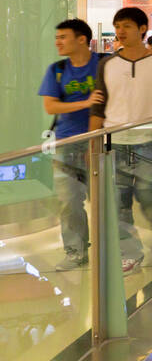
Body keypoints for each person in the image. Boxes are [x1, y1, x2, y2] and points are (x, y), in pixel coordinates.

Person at [88, 6, 152, 274]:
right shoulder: (107, 64)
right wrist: (93, 142)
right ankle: (130, 253)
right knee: (117, 202)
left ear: (142, 29)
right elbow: (98, 107)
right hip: (114, 142)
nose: (120, 32)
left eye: (126, 26)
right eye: (117, 27)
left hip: (148, 141)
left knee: (149, 195)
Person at [38, 19, 101, 270]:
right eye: (57, 37)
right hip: (66, 143)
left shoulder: (104, 65)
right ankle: (75, 251)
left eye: (63, 37)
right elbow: (51, 106)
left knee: (111, 200)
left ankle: (115, 249)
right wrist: (85, 103)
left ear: (82, 39)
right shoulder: (57, 69)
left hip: (101, 143)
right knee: (69, 201)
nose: (57, 42)